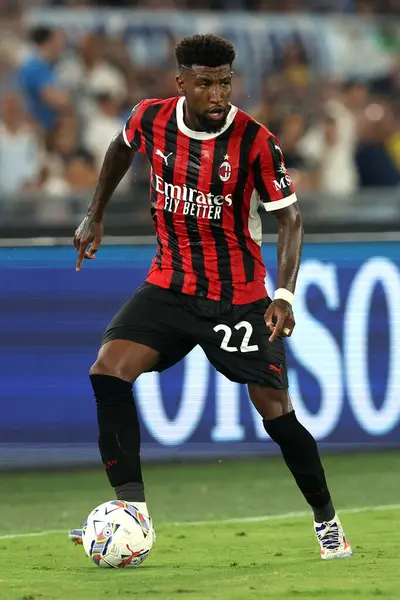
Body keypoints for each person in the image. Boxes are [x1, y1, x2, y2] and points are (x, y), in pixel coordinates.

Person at [70, 34, 352, 560]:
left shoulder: (255, 141)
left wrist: (285, 294)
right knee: (107, 370)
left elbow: (289, 217)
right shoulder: (150, 118)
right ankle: (131, 510)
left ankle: (327, 522)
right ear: (181, 83)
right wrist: (96, 212)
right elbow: (119, 148)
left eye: (225, 82)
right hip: (169, 285)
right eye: (206, 83)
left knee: (276, 412)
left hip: (238, 298)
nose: (218, 93)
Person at [18, 27, 69, 131]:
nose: (62, 47)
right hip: (38, 127)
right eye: (58, 42)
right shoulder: (37, 67)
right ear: (48, 43)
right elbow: (54, 99)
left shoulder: (47, 66)